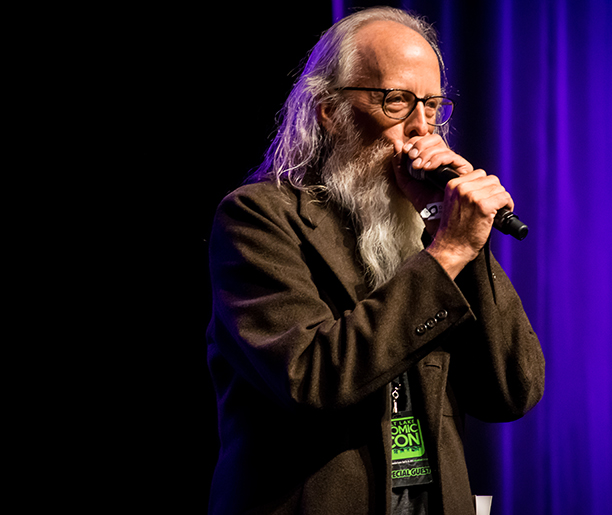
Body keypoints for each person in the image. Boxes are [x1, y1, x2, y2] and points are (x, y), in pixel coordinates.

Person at [206, 6, 545, 515]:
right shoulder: (258, 218)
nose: (422, 129)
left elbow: (513, 391)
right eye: (397, 101)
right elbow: (313, 379)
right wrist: (448, 250)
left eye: (432, 106)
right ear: (329, 110)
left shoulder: (426, 228)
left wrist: (462, 241)